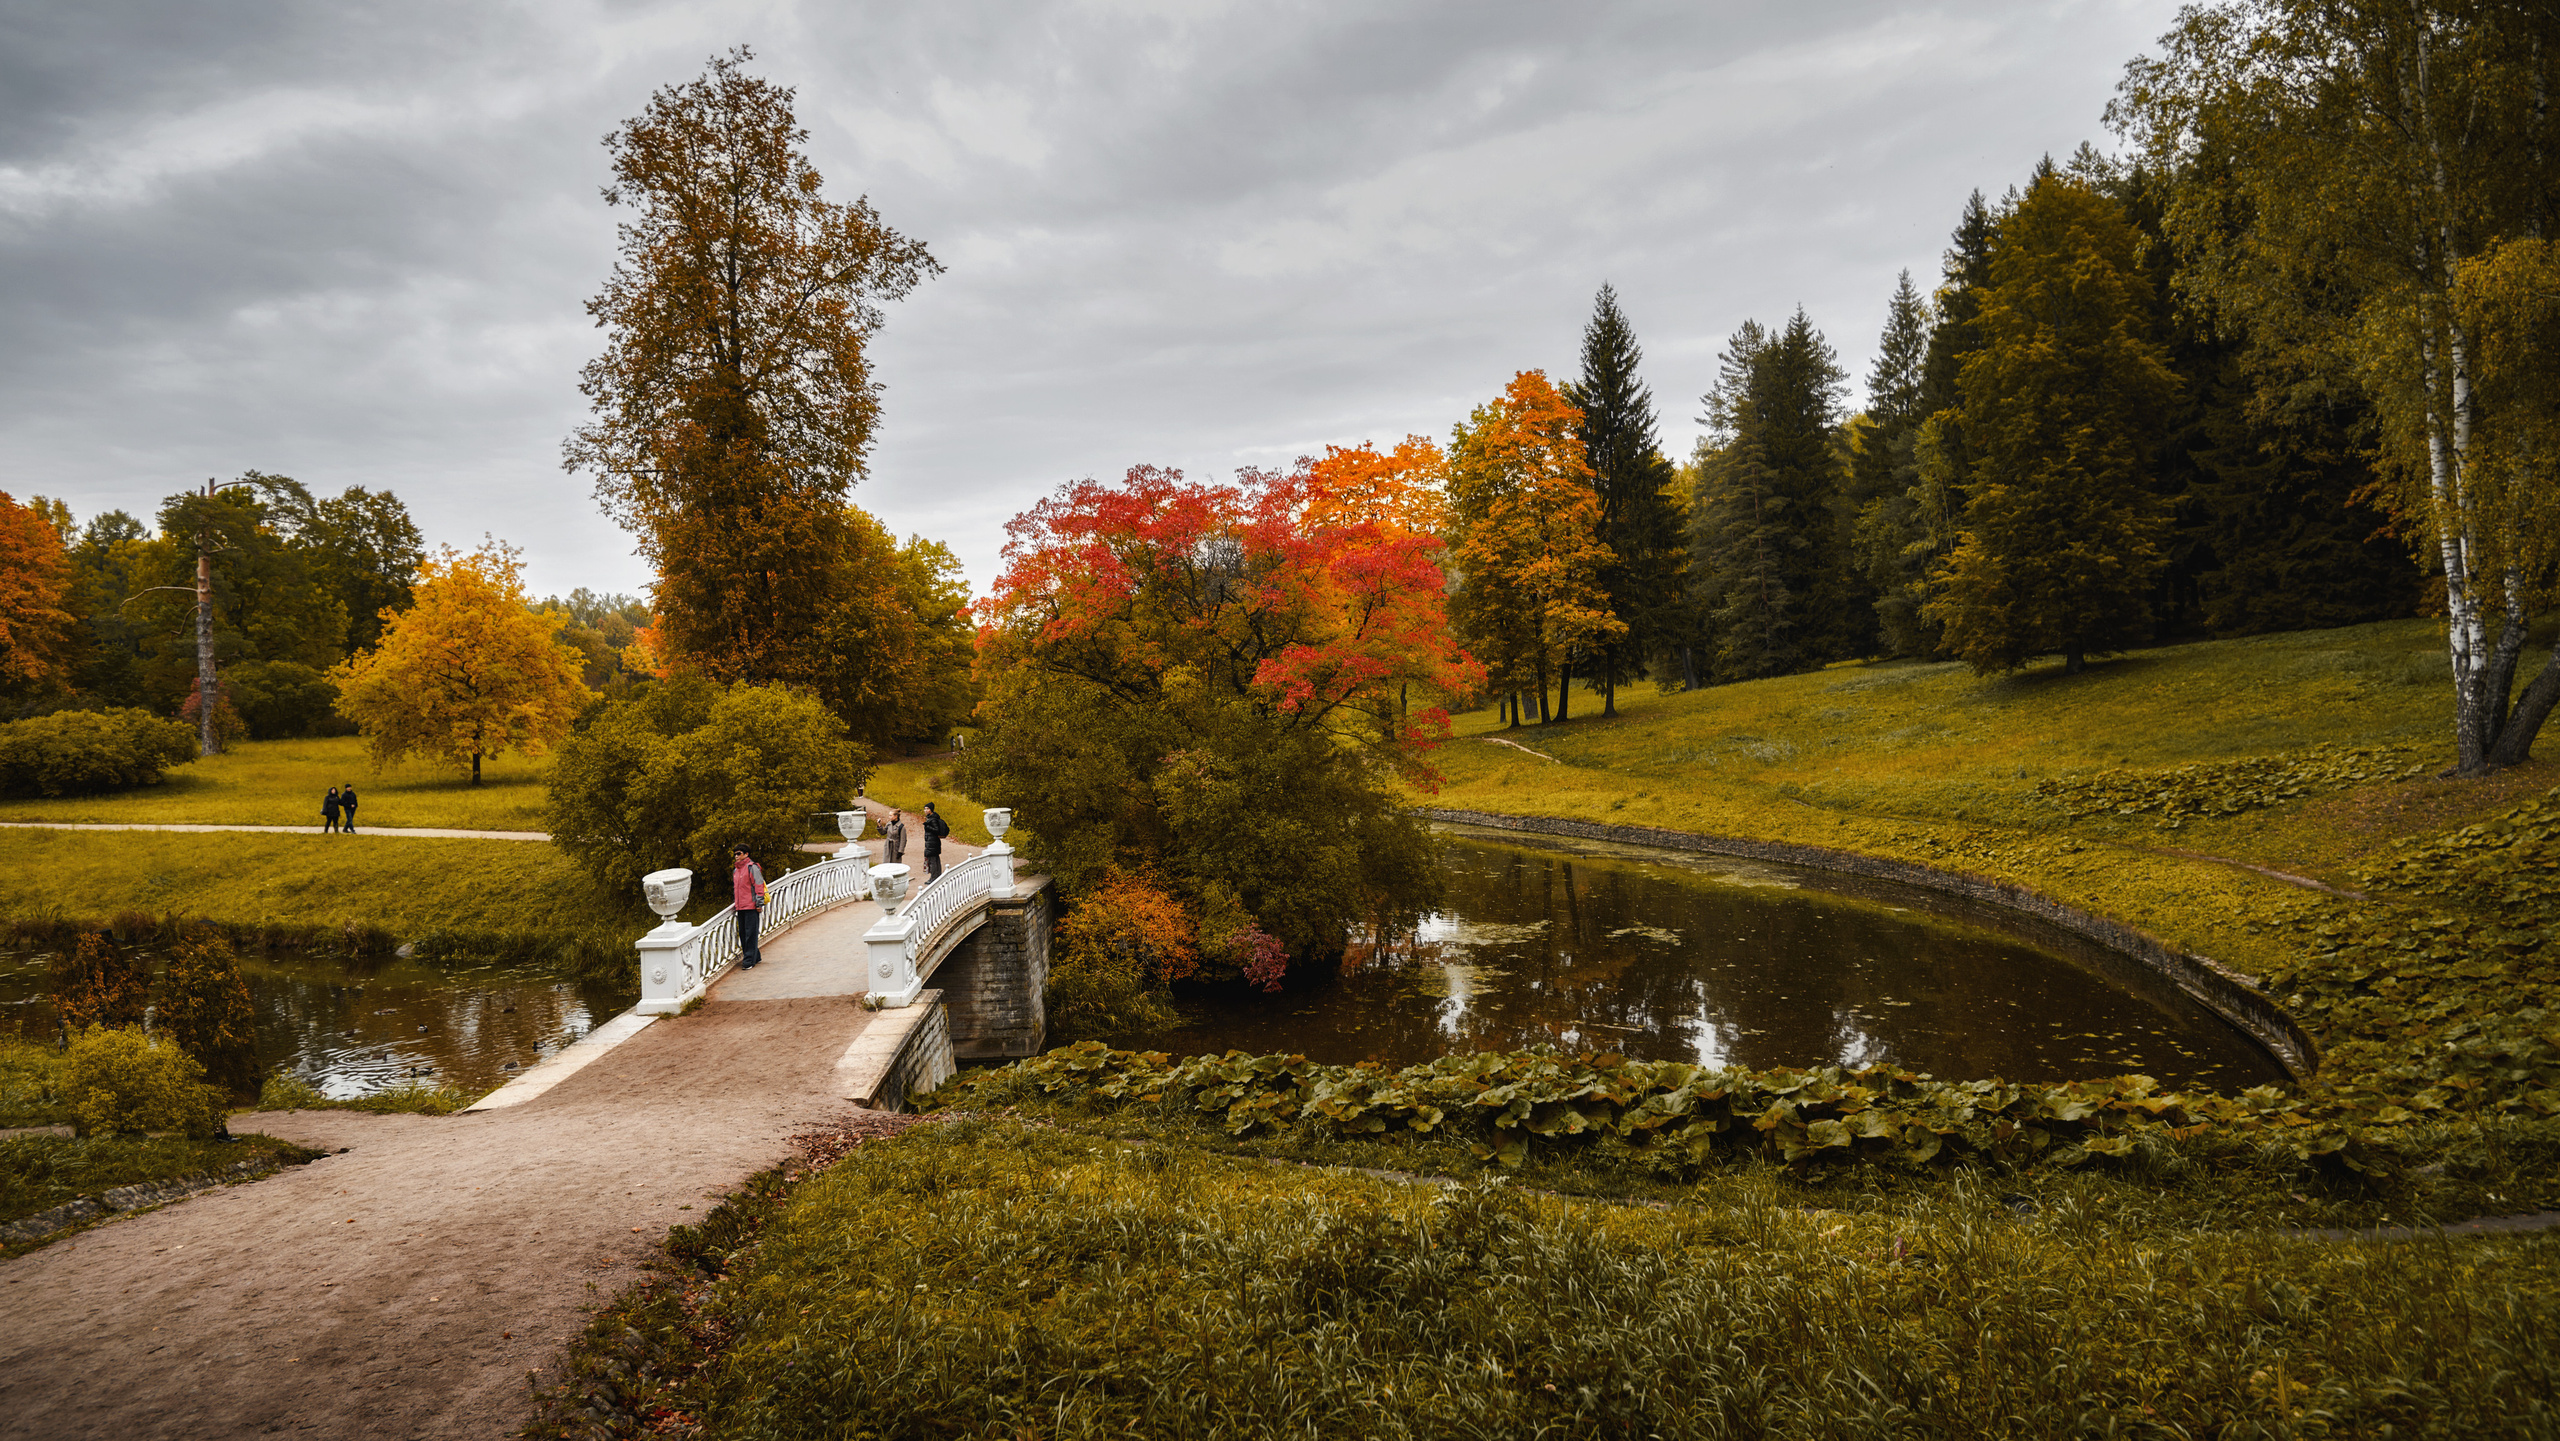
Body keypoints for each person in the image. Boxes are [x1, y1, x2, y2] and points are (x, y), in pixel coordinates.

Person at [731, 845, 768, 970]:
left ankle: (748, 961)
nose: (736, 856)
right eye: (735, 854)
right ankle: (755, 956)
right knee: (743, 933)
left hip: (751, 906)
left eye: (739, 853)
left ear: (746, 854)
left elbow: (758, 886)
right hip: (740, 907)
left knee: (750, 934)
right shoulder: (736, 870)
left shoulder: (753, 868)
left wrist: (759, 904)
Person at [921, 802, 950, 881]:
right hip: (932, 842)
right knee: (935, 860)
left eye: (927, 809)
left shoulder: (932, 819)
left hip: (932, 843)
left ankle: (933, 878)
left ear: (931, 810)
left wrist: (927, 826)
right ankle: (937, 876)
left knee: (932, 861)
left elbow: (936, 830)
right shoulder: (931, 818)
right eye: (925, 809)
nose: (925, 810)